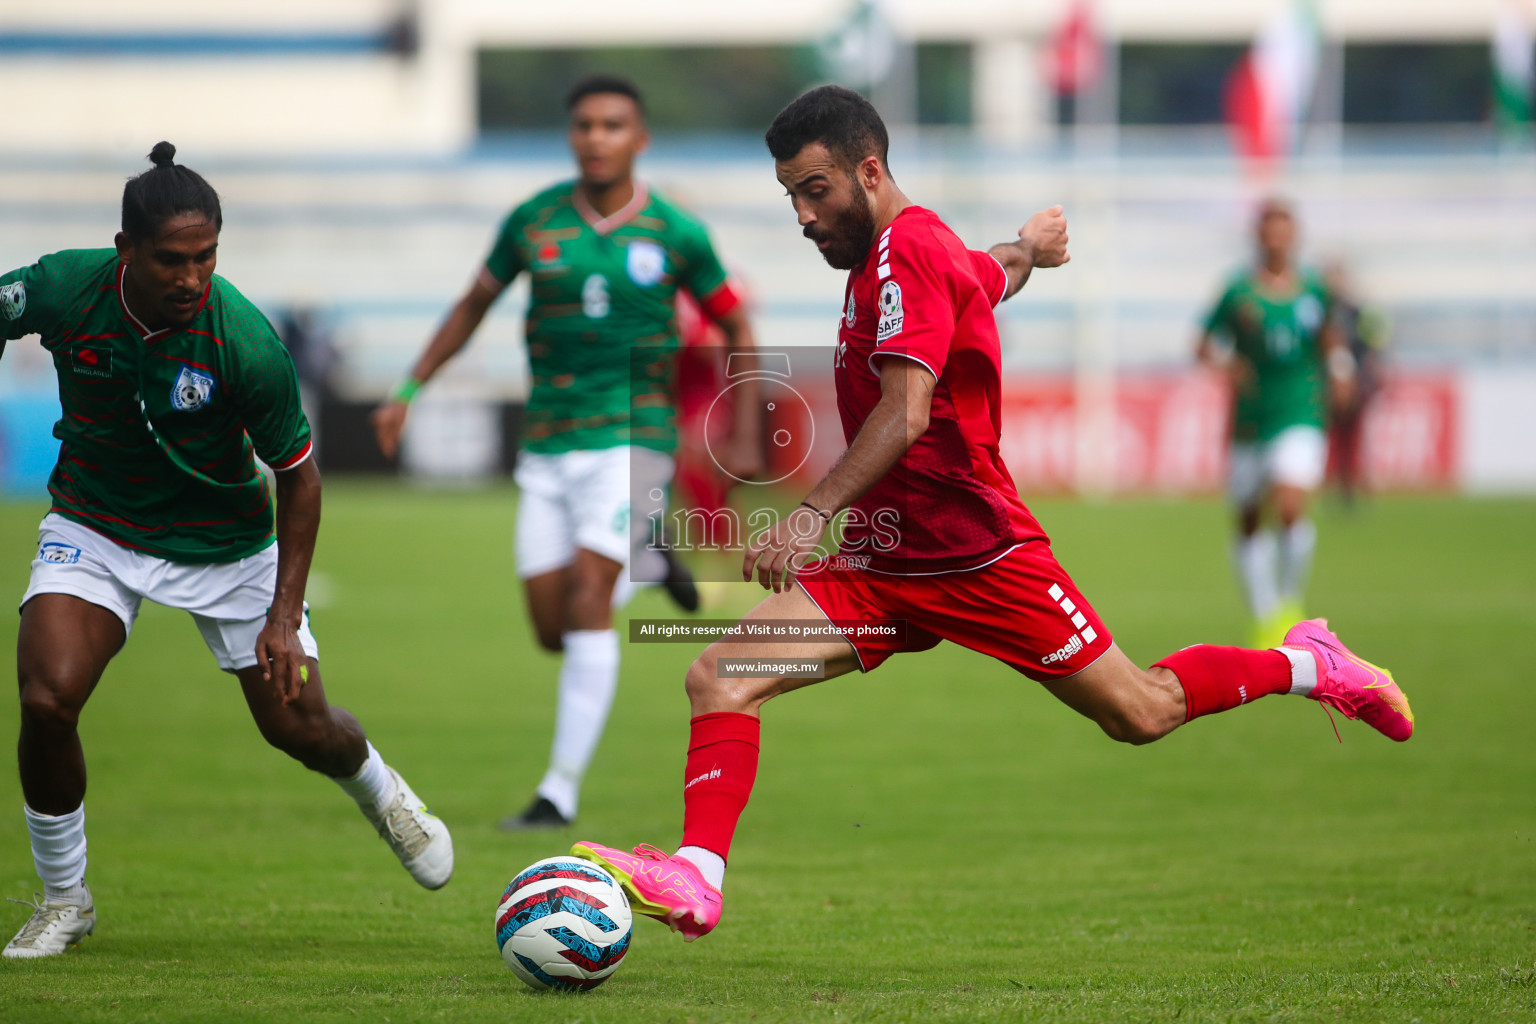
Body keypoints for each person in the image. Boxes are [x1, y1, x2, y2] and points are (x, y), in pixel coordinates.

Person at [568, 86, 1413, 942]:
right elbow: (986, 275)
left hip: (979, 558)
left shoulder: (907, 253)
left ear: (869, 171)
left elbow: (905, 413)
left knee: (1141, 711)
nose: (801, 214)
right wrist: (1030, 249)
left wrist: (807, 514)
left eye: (814, 190)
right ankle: (697, 878)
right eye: (790, 194)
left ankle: (1310, 662)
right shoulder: (900, 255)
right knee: (718, 675)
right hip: (885, 564)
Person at [1, 144, 452, 960]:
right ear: (125, 249)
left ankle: (380, 790)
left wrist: (283, 616)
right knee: (45, 698)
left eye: (206, 256)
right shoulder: (65, 286)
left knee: (301, 729)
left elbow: (301, 479)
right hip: (95, 527)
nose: (190, 277)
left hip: (229, 545)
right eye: (171, 260)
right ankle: (65, 897)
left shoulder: (242, 336)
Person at [372, 75, 762, 831]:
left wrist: (741, 430)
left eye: (613, 124)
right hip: (549, 444)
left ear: (639, 138)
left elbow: (738, 327)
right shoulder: (533, 220)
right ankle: (646, 571)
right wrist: (409, 387)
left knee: (586, 602)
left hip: (634, 439)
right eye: (584, 124)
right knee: (552, 627)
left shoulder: (675, 232)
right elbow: (473, 303)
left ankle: (559, 792)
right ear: (570, 135)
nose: (596, 137)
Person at [1197, 199, 1353, 647]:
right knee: (1248, 518)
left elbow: (1330, 335)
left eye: (1284, 231)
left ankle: (1289, 604)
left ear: (1294, 236)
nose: (1277, 240)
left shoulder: (1313, 289)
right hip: (1250, 418)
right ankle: (1264, 615)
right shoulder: (1238, 292)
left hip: (1301, 409)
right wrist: (1227, 367)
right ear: (1258, 237)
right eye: (1269, 231)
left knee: (1289, 505)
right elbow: (1202, 343)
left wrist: (1340, 370)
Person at [1323, 262, 1388, 507]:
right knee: (1332, 437)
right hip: (1328, 384)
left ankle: (1353, 484)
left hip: (1357, 383)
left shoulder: (1356, 312)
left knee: (1354, 436)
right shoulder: (1321, 312)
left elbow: (1373, 345)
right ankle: (1332, 484)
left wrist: (1369, 375)